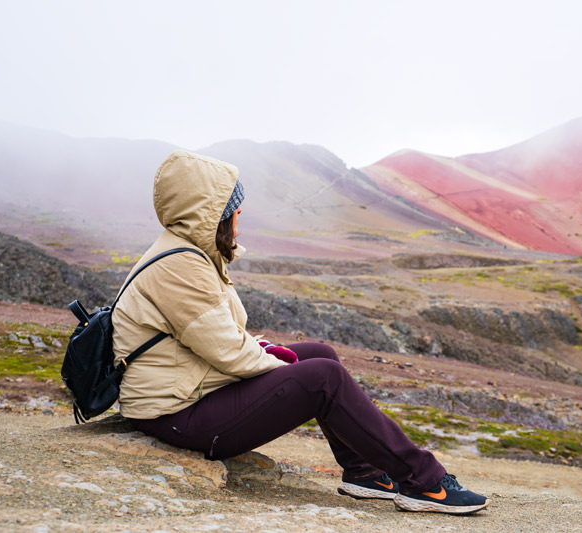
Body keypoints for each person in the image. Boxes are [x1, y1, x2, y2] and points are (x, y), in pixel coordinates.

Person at [112, 150, 489, 515]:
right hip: (175, 416)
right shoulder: (180, 266)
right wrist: (278, 362)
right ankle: (425, 482)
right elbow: (227, 352)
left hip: (185, 394)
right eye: (234, 211)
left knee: (319, 354)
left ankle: (365, 473)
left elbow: (217, 336)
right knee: (322, 378)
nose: (240, 219)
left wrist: (274, 353)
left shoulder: (185, 253)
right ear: (211, 215)